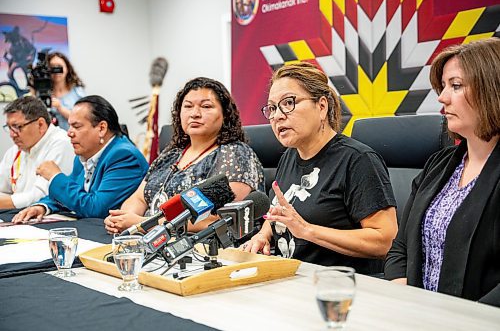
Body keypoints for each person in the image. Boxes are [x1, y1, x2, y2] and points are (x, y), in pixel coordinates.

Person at [242, 62, 398, 274]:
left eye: (288, 103)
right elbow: (280, 214)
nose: (277, 115)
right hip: (289, 280)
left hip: (337, 291)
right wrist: (263, 235)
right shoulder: (289, 157)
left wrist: (307, 230)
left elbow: (385, 241)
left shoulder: (357, 160)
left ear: (322, 106)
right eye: (272, 108)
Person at [384, 38, 500, 307]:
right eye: (444, 86)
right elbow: (399, 249)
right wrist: (406, 299)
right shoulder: (438, 165)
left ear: (492, 89)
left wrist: (456, 319)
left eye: (456, 86)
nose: (442, 97)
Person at [104, 77, 265, 234]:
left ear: (225, 115)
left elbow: (216, 219)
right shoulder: (171, 154)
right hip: (150, 241)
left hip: (201, 250)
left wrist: (143, 224)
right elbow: (139, 198)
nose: (195, 114)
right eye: (188, 106)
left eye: (206, 106)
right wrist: (123, 219)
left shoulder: (236, 153)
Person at [12, 95, 149, 221]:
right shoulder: (85, 154)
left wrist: (55, 177)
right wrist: (42, 206)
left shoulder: (124, 157)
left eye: (76, 126)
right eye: (69, 125)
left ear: (101, 128)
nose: (69, 133)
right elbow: (72, 193)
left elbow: (96, 209)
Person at [0, 96, 74, 209]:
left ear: (40, 124)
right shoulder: (15, 150)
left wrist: (6, 201)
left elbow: (42, 195)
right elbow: (2, 189)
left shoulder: (61, 143)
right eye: (9, 127)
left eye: (17, 127)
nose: (12, 134)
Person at [47, 52, 85, 130]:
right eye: (52, 67)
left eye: (59, 67)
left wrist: (60, 108)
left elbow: (82, 119)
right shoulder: (42, 93)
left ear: (67, 68)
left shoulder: (77, 93)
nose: (56, 71)